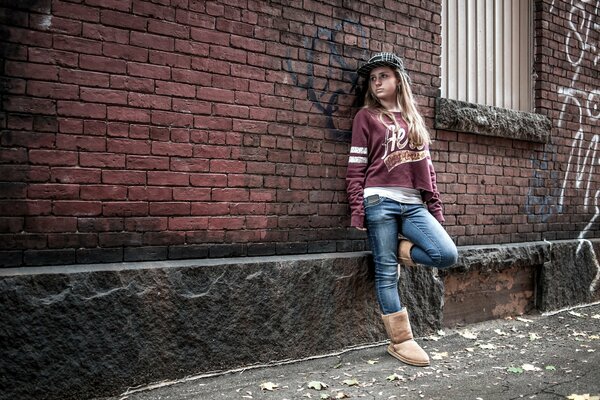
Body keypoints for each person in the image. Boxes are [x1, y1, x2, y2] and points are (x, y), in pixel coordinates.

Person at [346, 53, 458, 367]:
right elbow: (355, 167)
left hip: (412, 205)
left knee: (446, 254)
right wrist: (358, 209)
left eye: (383, 76)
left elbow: (428, 173)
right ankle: (401, 341)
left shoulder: (412, 120)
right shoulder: (366, 117)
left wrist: (435, 209)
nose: (377, 82)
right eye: (373, 78)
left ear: (398, 79)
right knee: (385, 273)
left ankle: (398, 248)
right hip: (379, 201)